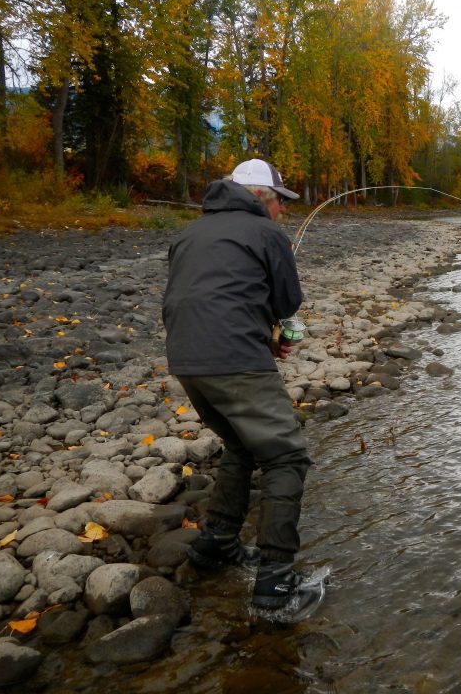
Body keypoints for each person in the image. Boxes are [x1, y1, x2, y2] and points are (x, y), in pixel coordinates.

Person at [162, 158, 314, 611]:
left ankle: (217, 544)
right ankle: (276, 582)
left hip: (187, 361)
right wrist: (276, 331)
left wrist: (259, 333)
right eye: (280, 202)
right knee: (286, 456)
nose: (283, 211)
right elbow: (288, 302)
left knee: (241, 445)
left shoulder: (188, 233)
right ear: (261, 197)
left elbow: (210, 296)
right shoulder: (267, 233)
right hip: (235, 361)